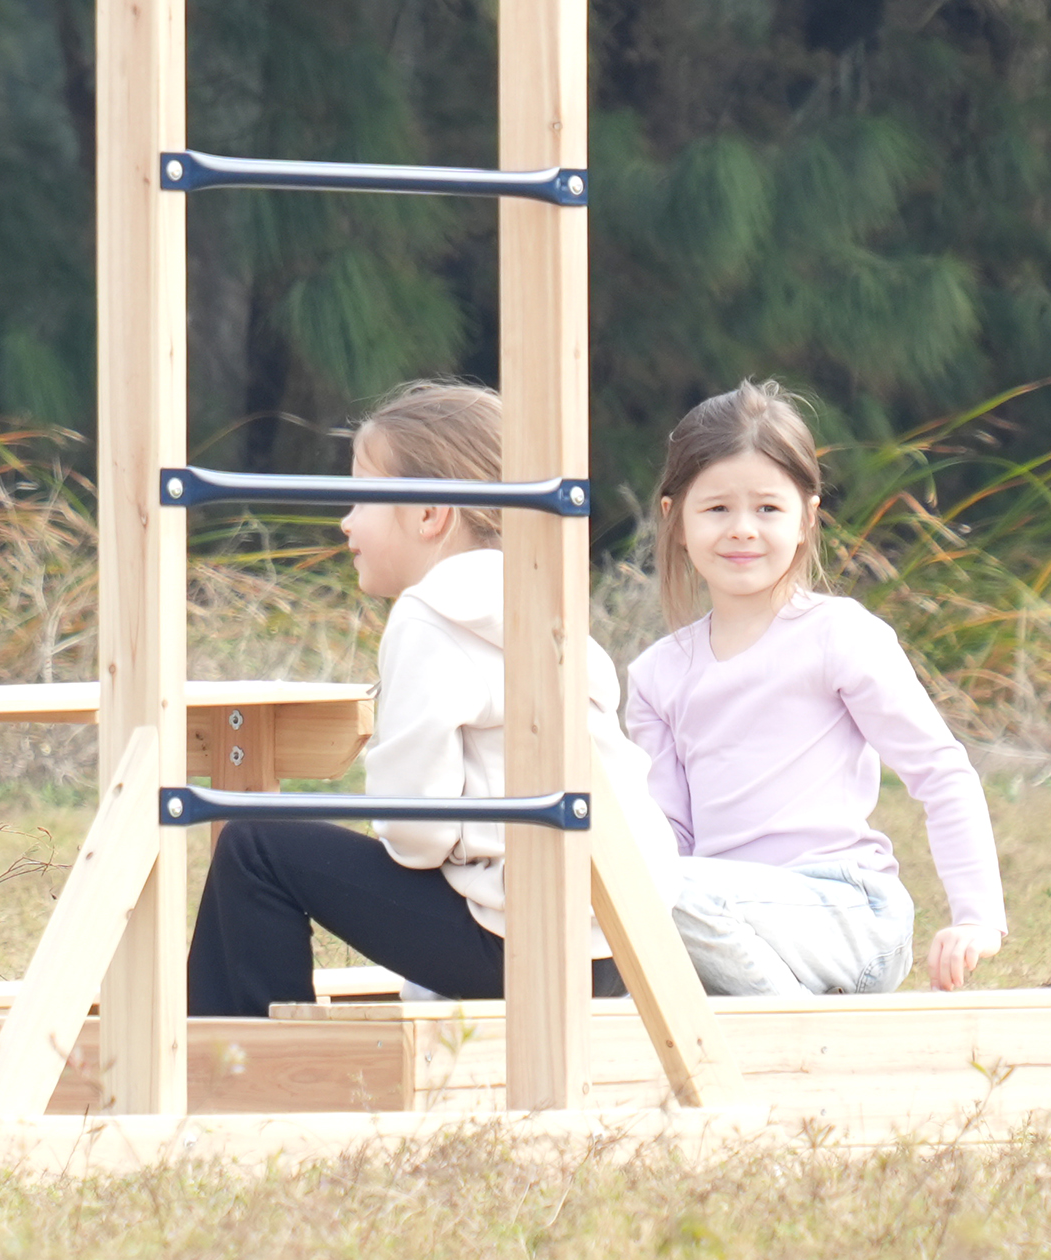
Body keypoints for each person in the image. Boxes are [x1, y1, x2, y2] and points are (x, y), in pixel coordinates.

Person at [187, 378, 678, 1016]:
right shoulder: (541, 600)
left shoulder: (429, 613)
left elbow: (416, 835)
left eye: (360, 496)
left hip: (519, 944)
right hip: (626, 939)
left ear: (428, 513)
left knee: (253, 845)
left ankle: (240, 1062)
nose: (344, 520)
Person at [624, 379, 1006, 999]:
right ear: (675, 520)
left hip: (849, 912)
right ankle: (790, 1018)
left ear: (807, 518)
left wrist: (978, 919)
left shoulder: (839, 635)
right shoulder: (656, 675)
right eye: (717, 508)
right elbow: (671, 838)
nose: (742, 529)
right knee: (631, 888)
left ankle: (797, 1032)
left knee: (665, 893)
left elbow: (941, 773)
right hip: (722, 920)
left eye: (767, 509)